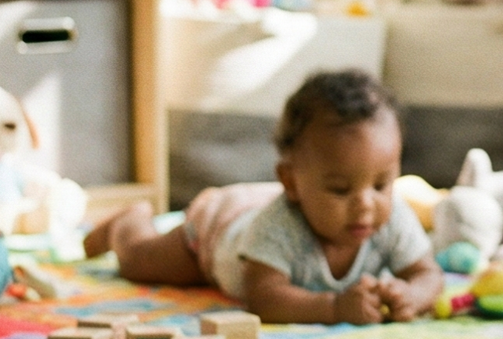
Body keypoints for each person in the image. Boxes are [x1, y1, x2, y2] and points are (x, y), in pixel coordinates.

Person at [83, 69, 441, 324]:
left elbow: (428, 274)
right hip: (217, 231)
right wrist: (333, 307)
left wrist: (413, 295)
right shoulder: (279, 226)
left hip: (257, 202)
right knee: (138, 263)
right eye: (339, 188)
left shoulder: (392, 217)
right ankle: (129, 222)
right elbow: (264, 298)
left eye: (380, 185)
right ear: (291, 182)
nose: (365, 204)